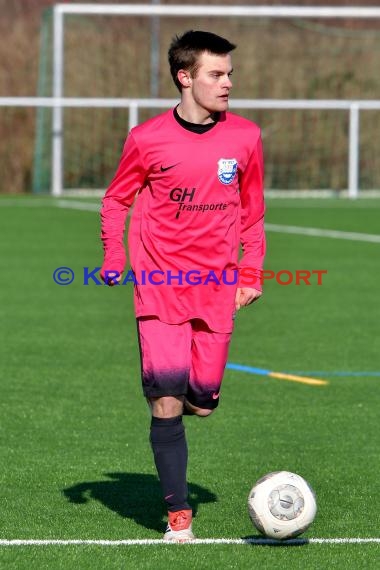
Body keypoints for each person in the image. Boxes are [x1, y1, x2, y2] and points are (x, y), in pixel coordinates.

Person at [100, 30, 266, 542]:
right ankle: (178, 515)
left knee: (202, 403)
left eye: (229, 74)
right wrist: (115, 253)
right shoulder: (146, 138)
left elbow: (254, 212)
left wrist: (251, 272)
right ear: (185, 77)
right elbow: (116, 200)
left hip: (216, 289)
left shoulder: (245, 137)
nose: (228, 83)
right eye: (217, 74)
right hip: (159, 287)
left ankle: (188, 399)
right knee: (166, 399)